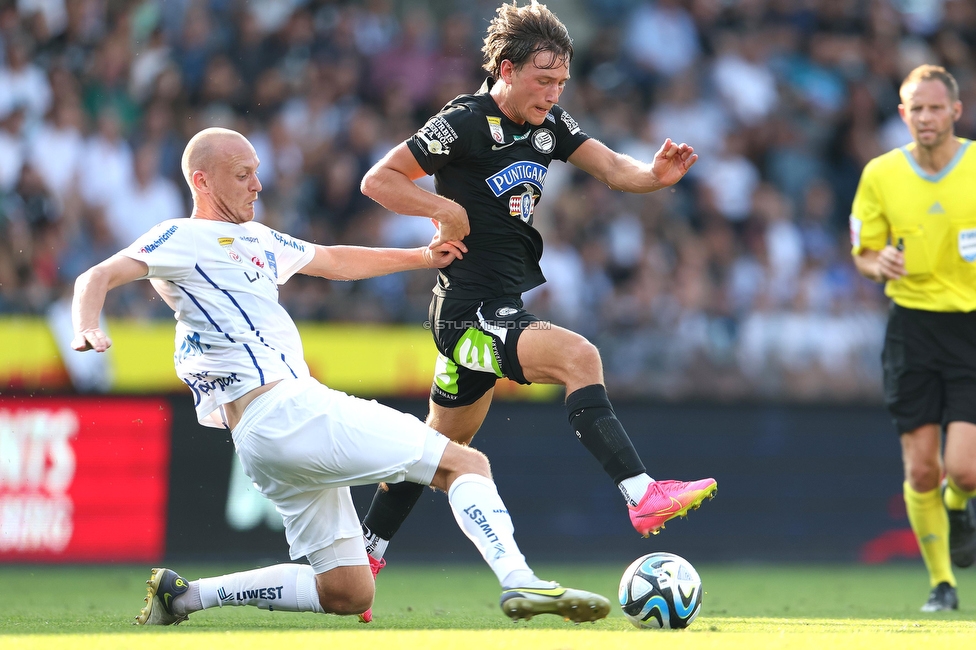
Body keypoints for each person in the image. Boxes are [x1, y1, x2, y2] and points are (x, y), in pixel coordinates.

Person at [71, 127, 611, 625]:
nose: (258, 184)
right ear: (201, 180)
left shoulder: (257, 239)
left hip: (262, 440)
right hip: (284, 409)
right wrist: (88, 327)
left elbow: (333, 259)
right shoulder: (180, 236)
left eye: (257, 171)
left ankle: (185, 596)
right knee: (464, 461)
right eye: (243, 175)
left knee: (348, 593)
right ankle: (520, 581)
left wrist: (423, 257)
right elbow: (97, 275)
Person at [357, 0, 717, 596]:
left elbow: (612, 168)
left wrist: (654, 175)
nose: (553, 93)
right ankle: (641, 494)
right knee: (581, 357)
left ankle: (364, 554)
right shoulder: (465, 121)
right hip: (467, 310)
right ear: (506, 69)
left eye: (560, 81)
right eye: (542, 80)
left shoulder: (551, 125)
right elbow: (380, 179)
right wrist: (441, 208)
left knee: (437, 450)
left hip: (496, 304)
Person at [850, 64, 976, 612]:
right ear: (903, 114)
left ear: (955, 111)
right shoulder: (881, 174)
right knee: (922, 467)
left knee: (964, 468)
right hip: (912, 330)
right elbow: (862, 254)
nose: (925, 117)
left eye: (934, 107)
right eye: (914, 108)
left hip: (969, 326)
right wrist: (883, 264)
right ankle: (942, 584)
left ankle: (958, 501)